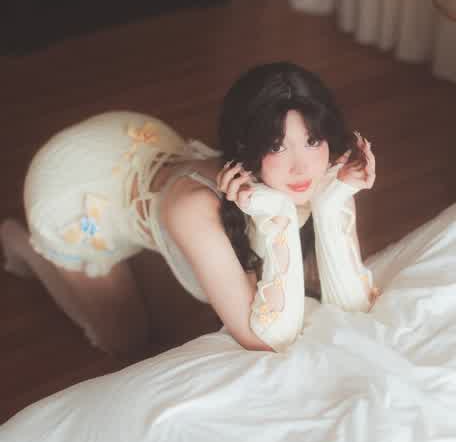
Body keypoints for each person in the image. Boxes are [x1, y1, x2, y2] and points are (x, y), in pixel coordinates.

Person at [0, 61, 376, 358]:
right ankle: (20, 243)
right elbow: (266, 339)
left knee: (172, 312)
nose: (302, 167)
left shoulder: (315, 175)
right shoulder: (194, 208)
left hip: (140, 144)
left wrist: (333, 201)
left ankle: (143, 253)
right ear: (245, 147)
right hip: (78, 190)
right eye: (277, 146)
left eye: (312, 140)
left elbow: (352, 304)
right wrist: (278, 219)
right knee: (124, 339)